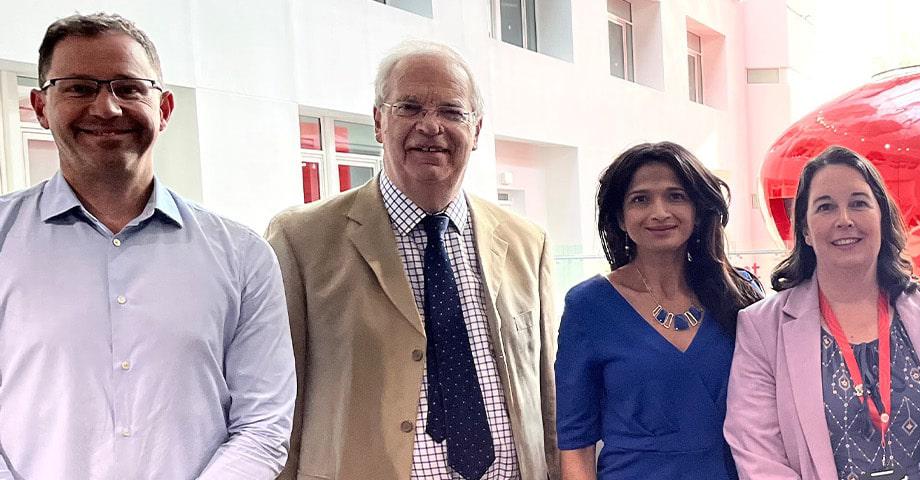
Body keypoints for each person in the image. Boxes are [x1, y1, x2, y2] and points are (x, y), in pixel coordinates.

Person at [0, 12, 295, 479]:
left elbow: (263, 427)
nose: (107, 108)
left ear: (165, 109)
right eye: (78, 87)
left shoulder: (243, 256)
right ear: (40, 107)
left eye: (128, 87)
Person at [266, 40, 557, 479]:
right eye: (410, 107)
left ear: (476, 130)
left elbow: (546, 395)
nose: (430, 126)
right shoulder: (301, 240)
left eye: (451, 112)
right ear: (380, 122)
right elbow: (277, 402)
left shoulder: (526, 242)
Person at [726, 146, 920, 480]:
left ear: (881, 216)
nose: (844, 220)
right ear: (805, 230)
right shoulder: (762, 328)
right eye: (825, 207)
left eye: (858, 203)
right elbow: (758, 454)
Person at [556, 141, 763, 479]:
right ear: (621, 218)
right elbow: (576, 446)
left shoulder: (739, 293)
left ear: (698, 209)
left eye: (676, 196)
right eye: (640, 199)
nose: (659, 212)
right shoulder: (587, 306)